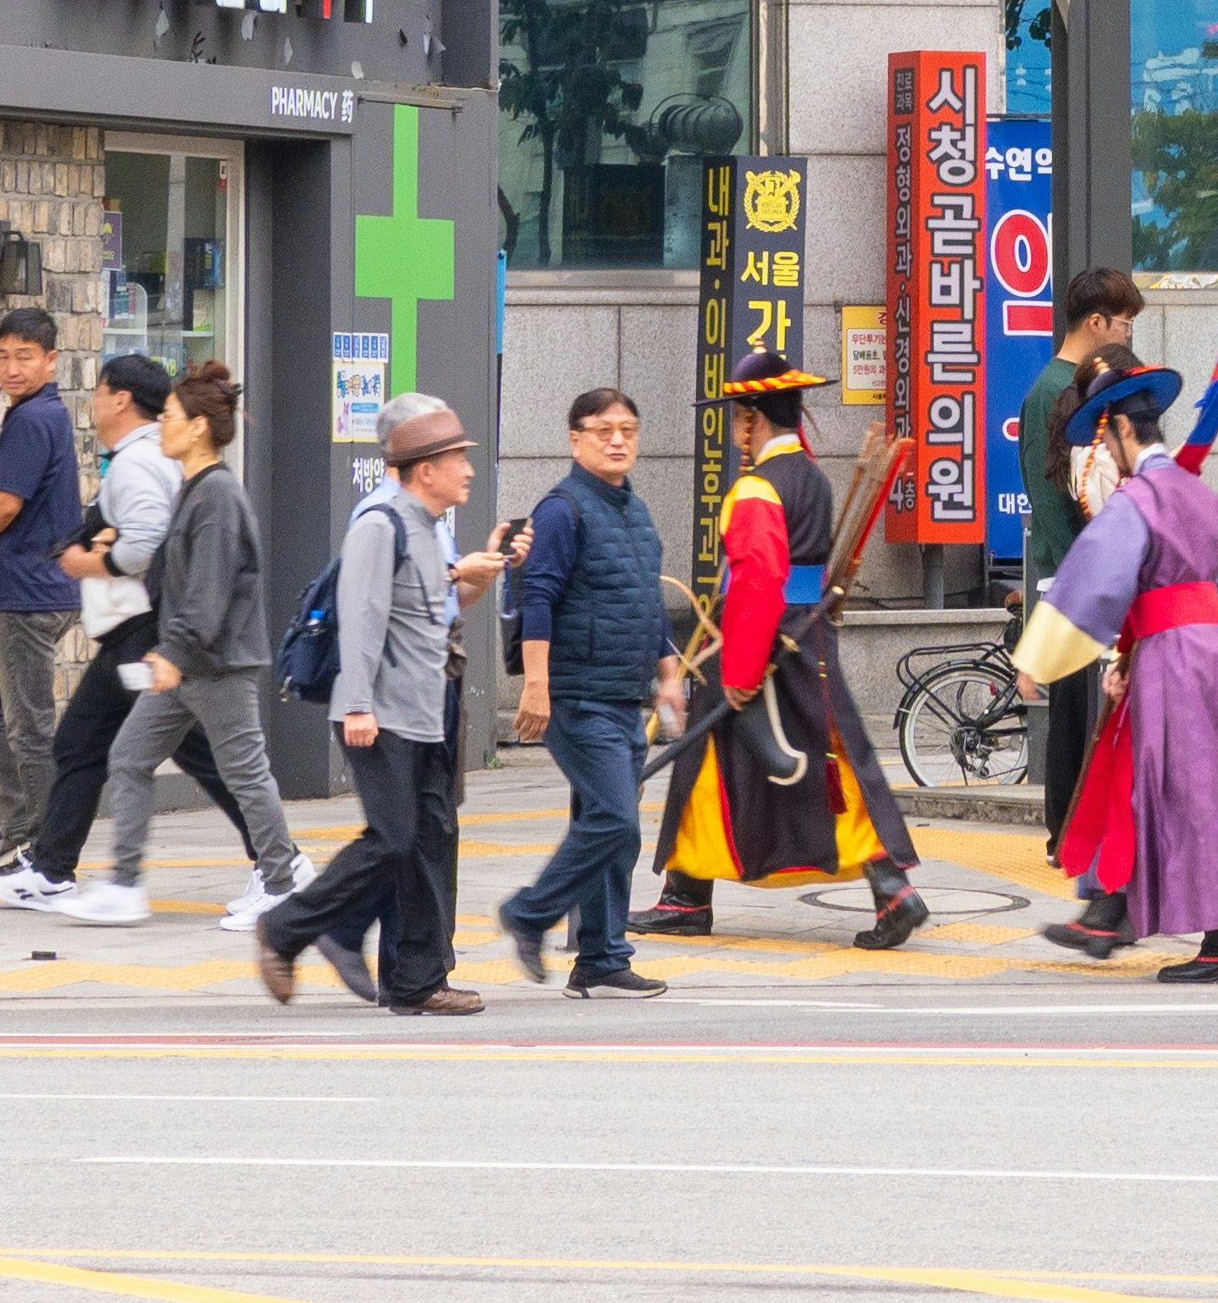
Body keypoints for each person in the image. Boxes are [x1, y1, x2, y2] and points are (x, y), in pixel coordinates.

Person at [1017, 351, 1218, 981]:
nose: (1104, 453)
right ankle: (1110, 910)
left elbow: (1094, 582)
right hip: (1200, 645)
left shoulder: (1137, 501)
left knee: (1190, 792)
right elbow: (1192, 577)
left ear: (1122, 431)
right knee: (1147, 778)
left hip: (1171, 651)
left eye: (1105, 439)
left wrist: (1039, 659)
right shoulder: (1196, 492)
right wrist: (1131, 653)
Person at [653, 349, 929, 950]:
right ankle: (686, 892)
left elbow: (757, 578)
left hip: (760, 643)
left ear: (752, 417)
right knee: (754, 766)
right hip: (806, 636)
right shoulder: (812, 476)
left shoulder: (756, 488)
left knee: (807, 775)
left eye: (737, 419)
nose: (735, 431)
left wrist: (742, 672)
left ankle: (892, 891)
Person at [259, 394, 518, 1014]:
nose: (469, 470)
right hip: (381, 715)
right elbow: (364, 619)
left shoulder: (430, 531)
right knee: (393, 838)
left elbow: (431, 617)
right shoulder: (381, 526)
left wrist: (476, 573)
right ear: (424, 469)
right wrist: (355, 706)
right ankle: (288, 927)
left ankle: (417, 981)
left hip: (426, 714)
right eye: (458, 459)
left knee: (429, 840)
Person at [0, 352, 264, 910]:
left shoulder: (145, 465)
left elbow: (149, 542)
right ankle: (270, 865)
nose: (91, 405)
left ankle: (60, 870)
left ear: (119, 399)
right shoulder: (155, 461)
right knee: (181, 753)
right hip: (156, 634)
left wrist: (93, 562)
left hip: (146, 631)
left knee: (87, 744)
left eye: (98, 392)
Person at [54, 362, 302, 925]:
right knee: (130, 757)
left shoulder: (216, 496)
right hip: (187, 662)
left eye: (168, 417)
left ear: (196, 429)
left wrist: (173, 652)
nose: (160, 425)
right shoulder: (194, 489)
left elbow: (209, 592)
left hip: (217, 665)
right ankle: (124, 883)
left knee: (244, 772)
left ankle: (283, 882)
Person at [498, 385, 682, 997]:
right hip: (577, 695)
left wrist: (668, 669)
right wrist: (537, 686)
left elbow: (645, 600)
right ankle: (528, 913)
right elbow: (539, 598)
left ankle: (601, 957)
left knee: (615, 825)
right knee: (611, 815)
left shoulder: (635, 511)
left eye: (627, 429)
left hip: (621, 694)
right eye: (603, 429)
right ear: (575, 438)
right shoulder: (562, 509)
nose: (617, 440)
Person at [1014, 267, 1145, 857]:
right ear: (1096, 323)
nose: (1127, 335)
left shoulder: (1085, 382)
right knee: (1075, 707)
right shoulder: (1053, 390)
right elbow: (1051, 498)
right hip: (1070, 571)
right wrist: (1091, 577)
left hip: (1082, 567)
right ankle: (1065, 830)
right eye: (1124, 324)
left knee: (1087, 703)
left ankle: (1081, 826)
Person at [0, 307, 82, 864]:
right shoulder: (36, 413)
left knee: (29, 725)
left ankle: (42, 842)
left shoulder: (33, 419)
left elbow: (6, 502)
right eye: (2, 356)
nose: (11, 367)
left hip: (34, 591)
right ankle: (25, 820)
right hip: (21, 588)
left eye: (25, 357)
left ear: (51, 362)